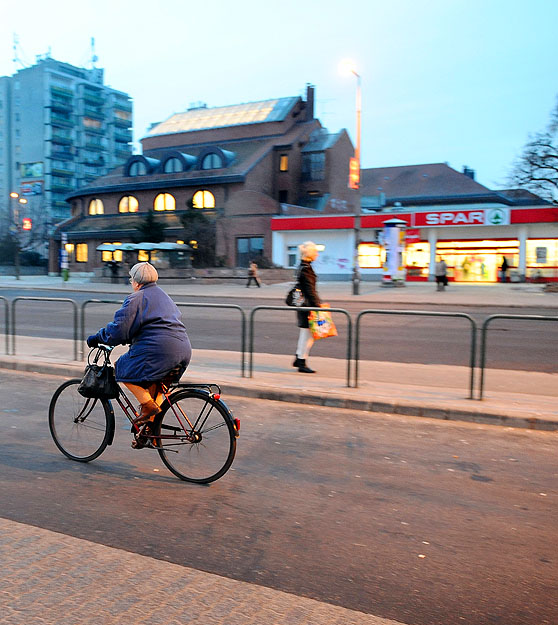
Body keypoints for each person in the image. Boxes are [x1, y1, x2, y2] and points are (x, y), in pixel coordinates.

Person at [86, 262, 192, 429]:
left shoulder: (136, 298)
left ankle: (147, 405)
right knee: (156, 387)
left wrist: (97, 338)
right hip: (183, 350)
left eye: (131, 280)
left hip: (159, 350)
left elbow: (118, 330)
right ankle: (150, 433)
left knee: (121, 367)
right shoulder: (164, 296)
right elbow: (152, 325)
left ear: (136, 281)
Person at [293, 241, 322, 374]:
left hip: (302, 304)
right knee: (308, 335)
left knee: (305, 334)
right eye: (315, 252)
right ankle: (301, 362)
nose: (317, 254)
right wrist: (318, 306)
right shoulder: (306, 269)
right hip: (308, 306)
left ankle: (299, 358)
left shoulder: (302, 266)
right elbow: (310, 290)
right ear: (310, 254)